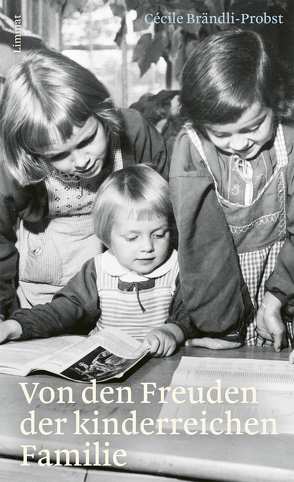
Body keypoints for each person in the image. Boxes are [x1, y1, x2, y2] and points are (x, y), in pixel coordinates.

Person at [0, 48, 169, 321]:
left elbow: (172, 215)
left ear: (101, 110)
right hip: (39, 298)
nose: (81, 162)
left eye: (88, 140)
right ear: (30, 151)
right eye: (57, 156)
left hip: (122, 293)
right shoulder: (9, 162)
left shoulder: (135, 131)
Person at [170, 29, 294, 351]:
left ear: (277, 101)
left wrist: (278, 295)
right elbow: (203, 246)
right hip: (217, 293)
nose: (239, 144)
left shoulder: (290, 139)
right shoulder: (192, 148)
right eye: (222, 134)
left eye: (253, 127)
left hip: (286, 279)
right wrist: (220, 326)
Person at [0, 166, 190, 357]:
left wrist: (172, 331)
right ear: (107, 236)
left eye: (159, 234)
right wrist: (13, 326)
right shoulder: (97, 270)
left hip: (160, 366)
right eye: (132, 238)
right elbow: (60, 312)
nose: (148, 246)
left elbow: (190, 314)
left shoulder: (178, 266)